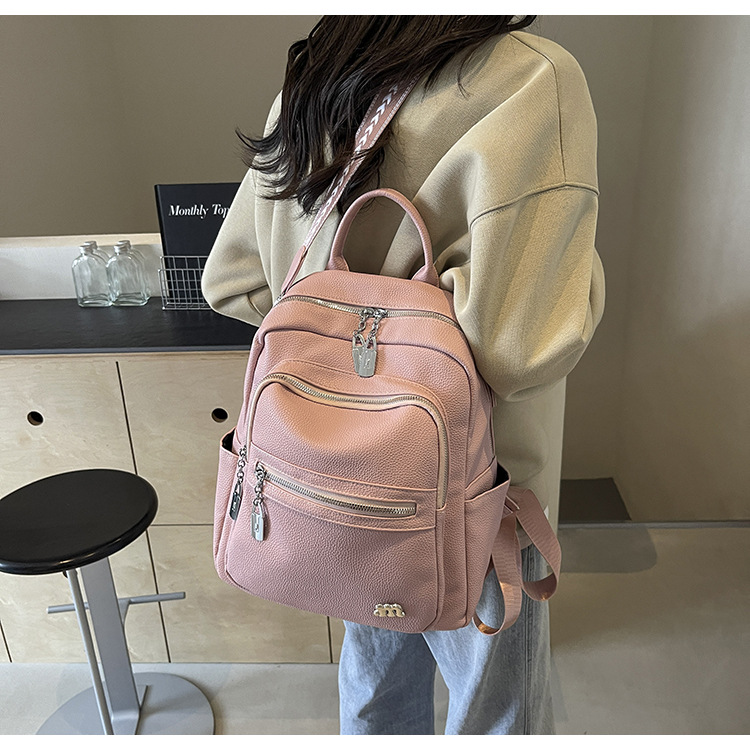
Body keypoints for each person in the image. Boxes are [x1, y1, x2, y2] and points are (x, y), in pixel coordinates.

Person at [201, 15, 605, 735]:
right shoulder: (533, 79)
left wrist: (345, 343)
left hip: (334, 477)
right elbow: (519, 349)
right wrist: (582, 277)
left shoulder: (321, 73)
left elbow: (233, 282)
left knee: (376, 689)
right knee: (494, 715)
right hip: (477, 492)